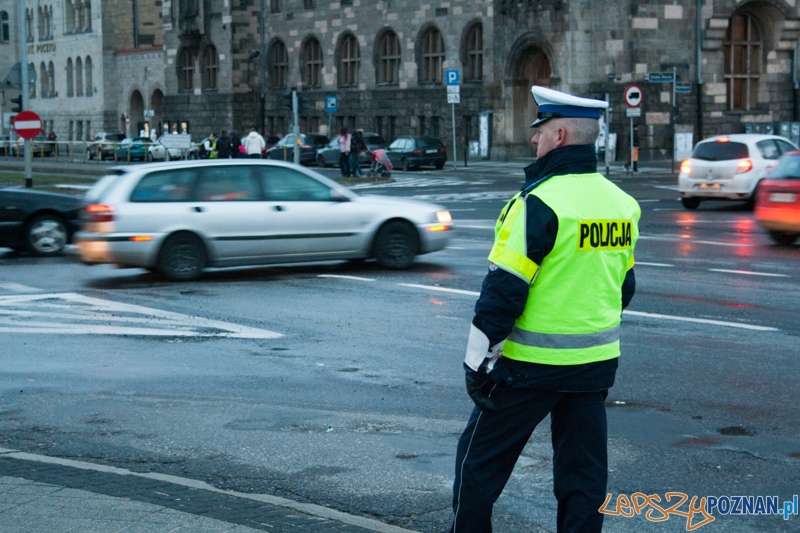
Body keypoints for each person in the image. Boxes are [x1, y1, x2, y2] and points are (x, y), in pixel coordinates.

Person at [449, 85, 641, 533]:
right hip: (594, 366)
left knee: (477, 467)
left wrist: (476, 364)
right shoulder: (623, 205)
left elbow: (502, 293)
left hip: (528, 369)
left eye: (538, 131)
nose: (532, 140)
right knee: (583, 478)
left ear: (558, 136)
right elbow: (623, 288)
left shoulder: (537, 202)